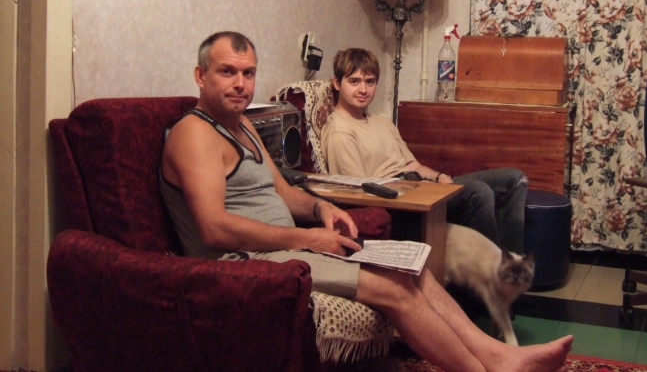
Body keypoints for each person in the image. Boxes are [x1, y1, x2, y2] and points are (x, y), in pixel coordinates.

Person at [159, 31, 573, 372]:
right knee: (394, 287)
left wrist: (322, 209)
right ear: (200, 76)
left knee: (414, 266)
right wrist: (306, 239)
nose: (240, 84)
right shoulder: (193, 133)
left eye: (248, 73)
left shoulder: (243, 126)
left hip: (284, 248)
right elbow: (213, 227)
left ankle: (499, 356)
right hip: (246, 263)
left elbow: (284, 192)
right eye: (227, 72)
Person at [320, 48, 530, 254]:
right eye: (354, 81)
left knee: (514, 179)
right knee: (478, 191)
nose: (363, 90)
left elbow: (413, 165)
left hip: (418, 186)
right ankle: (495, 272)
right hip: (400, 203)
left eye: (370, 82)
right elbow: (360, 191)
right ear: (337, 83)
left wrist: (438, 177)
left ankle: (513, 264)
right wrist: (412, 189)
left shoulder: (381, 122)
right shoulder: (340, 130)